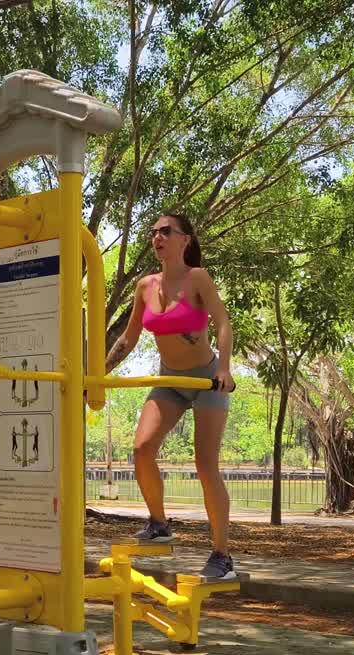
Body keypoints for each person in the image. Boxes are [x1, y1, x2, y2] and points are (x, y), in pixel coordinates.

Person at [104, 213, 238, 579]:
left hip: (207, 379)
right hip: (170, 380)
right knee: (142, 448)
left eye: (166, 231)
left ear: (185, 240)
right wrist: (98, 373)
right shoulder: (145, 286)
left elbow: (223, 322)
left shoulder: (198, 278)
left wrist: (225, 368)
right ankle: (159, 524)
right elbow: (128, 338)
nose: (157, 237)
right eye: (154, 232)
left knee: (205, 465)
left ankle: (222, 556)